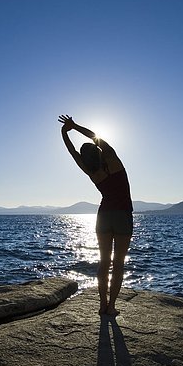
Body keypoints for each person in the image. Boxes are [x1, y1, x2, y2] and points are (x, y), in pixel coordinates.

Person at [58, 114, 133, 316]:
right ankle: (112, 307)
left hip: (104, 216)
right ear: (98, 151)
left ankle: (102, 305)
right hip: (123, 215)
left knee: (104, 262)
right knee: (118, 263)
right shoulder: (112, 159)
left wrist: (63, 133)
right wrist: (74, 126)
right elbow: (94, 136)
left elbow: (73, 152)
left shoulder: (91, 171)